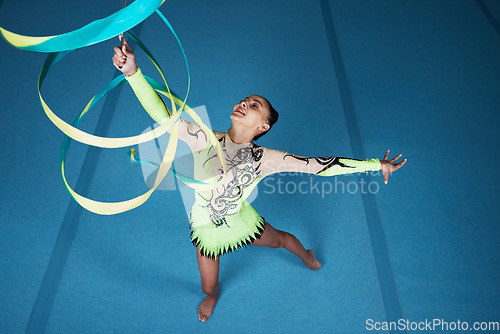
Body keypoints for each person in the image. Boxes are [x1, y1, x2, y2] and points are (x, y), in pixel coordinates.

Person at [112, 38, 407, 322]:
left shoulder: (266, 158)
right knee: (206, 287)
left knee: (279, 240)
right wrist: (133, 73)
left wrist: (374, 164)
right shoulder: (201, 136)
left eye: (254, 105)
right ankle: (214, 295)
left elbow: (320, 166)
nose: (244, 103)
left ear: (262, 126)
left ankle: (307, 256)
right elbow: (162, 115)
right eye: (245, 100)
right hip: (205, 228)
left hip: (241, 221)